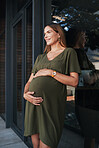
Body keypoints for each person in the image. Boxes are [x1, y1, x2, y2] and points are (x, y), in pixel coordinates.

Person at [23, 24, 81, 148]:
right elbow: (29, 82)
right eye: (44, 34)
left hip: (51, 107)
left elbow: (74, 82)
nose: (45, 36)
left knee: (48, 142)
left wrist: (50, 73)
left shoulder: (68, 53)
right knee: (35, 145)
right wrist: (25, 95)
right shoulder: (40, 58)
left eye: (48, 32)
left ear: (58, 34)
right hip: (33, 104)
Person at [66, 28, 99, 148]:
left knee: (91, 135)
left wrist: (94, 74)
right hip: (87, 101)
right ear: (77, 36)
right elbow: (88, 79)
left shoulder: (81, 53)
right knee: (90, 134)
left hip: (89, 99)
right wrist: (95, 74)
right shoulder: (73, 54)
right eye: (84, 36)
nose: (86, 39)